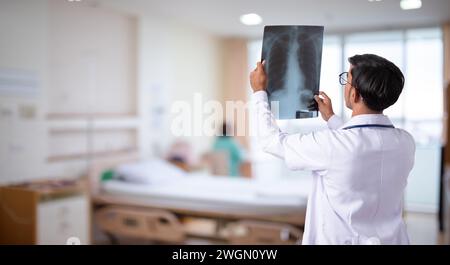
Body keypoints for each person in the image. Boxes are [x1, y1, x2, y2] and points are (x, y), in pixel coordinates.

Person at [249, 54, 415, 245]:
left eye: (348, 79)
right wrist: (332, 118)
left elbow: (271, 141)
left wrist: (259, 93)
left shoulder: (332, 145)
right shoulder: (405, 143)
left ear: (355, 94)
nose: (345, 84)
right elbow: (360, 146)